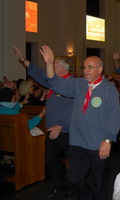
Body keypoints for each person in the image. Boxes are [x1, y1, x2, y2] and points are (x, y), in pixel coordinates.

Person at [40, 45, 120, 200]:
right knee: (73, 179)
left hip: (99, 144)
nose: (86, 71)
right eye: (84, 67)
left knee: (99, 184)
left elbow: (114, 117)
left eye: (90, 67)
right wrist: (49, 64)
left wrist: (108, 140)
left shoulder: (109, 89)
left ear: (100, 69)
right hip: (78, 142)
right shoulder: (79, 84)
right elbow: (56, 84)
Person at [13, 46, 76, 199]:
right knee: (50, 158)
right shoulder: (53, 83)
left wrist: (60, 125)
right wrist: (23, 60)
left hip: (67, 130)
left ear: (60, 69)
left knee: (72, 161)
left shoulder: (73, 84)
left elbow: (73, 108)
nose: (50, 70)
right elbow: (39, 73)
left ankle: (72, 188)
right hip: (51, 129)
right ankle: (59, 185)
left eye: (53, 67)